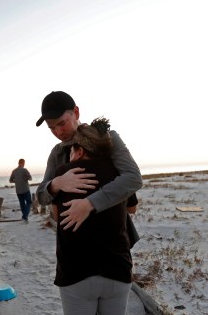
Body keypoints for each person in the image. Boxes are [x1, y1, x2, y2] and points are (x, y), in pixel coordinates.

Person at [52, 118, 134, 315]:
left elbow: (57, 214)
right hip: (116, 268)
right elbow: (130, 209)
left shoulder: (63, 176)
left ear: (77, 150)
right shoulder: (119, 175)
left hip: (76, 273)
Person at [35, 91, 142, 233]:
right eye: (52, 128)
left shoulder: (107, 139)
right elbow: (41, 197)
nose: (59, 132)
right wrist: (56, 184)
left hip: (112, 237)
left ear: (76, 112)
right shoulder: (57, 152)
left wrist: (89, 204)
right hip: (74, 240)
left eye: (62, 123)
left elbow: (133, 179)